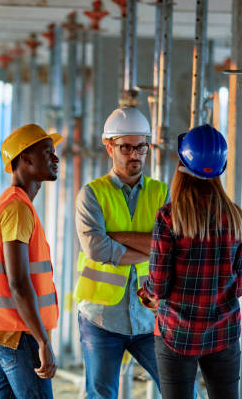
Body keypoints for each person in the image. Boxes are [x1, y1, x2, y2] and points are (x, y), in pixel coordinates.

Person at [139, 124, 242, 399]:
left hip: (177, 333)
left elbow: (159, 286)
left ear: (183, 165)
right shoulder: (235, 216)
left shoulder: (169, 217)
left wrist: (147, 294)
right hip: (223, 332)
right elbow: (240, 287)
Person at [73, 106, 168, 398]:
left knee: (183, 390)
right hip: (101, 317)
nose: (135, 155)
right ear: (109, 147)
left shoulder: (162, 193)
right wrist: (154, 249)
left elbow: (174, 246)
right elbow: (97, 247)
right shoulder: (92, 194)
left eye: (142, 147)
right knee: (101, 394)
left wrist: (118, 239)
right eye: (126, 147)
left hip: (150, 319)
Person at [0, 123, 63, 399]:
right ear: (25, 159)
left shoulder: (14, 204)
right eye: (47, 152)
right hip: (19, 334)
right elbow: (19, 282)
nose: (55, 158)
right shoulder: (17, 208)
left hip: (6, 331)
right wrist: (42, 340)